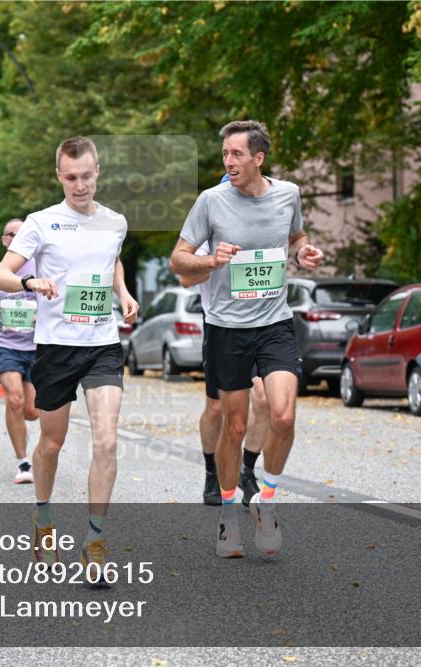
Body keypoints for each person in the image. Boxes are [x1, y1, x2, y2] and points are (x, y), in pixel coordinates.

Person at [170, 120, 324, 559]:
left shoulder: (288, 194)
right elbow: (178, 260)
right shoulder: (211, 201)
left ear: (259, 158)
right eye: (225, 154)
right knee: (234, 425)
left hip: (274, 322)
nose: (228, 161)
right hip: (227, 328)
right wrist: (210, 260)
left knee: (283, 416)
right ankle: (227, 516)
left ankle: (266, 501)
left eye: (236, 154)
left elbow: (296, 235)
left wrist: (303, 251)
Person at [0, 136, 139, 586]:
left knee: (107, 441)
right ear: (59, 175)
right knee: (51, 443)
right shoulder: (41, 223)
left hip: (102, 344)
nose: (80, 185)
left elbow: (111, 261)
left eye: (87, 176)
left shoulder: (115, 221)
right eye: (71, 177)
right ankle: (43, 517)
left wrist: (123, 292)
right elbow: (1, 274)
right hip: (56, 347)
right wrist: (30, 283)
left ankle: (94, 543)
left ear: (98, 173)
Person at [179, 239, 270, 507]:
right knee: (217, 407)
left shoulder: (262, 229)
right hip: (221, 327)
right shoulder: (209, 234)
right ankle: (213, 473)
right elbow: (186, 279)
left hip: (260, 325)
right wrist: (215, 263)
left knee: (264, 399)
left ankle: (247, 471)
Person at [0, 218, 39, 484]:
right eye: (11, 234)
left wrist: (43, 316)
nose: (16, 238)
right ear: (4, 240)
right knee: (14, 400)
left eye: (21, 233)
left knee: (32, 411)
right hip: (6, 346)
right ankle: (23, 462)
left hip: (37, 348)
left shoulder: (42, 269)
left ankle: (21, 428)